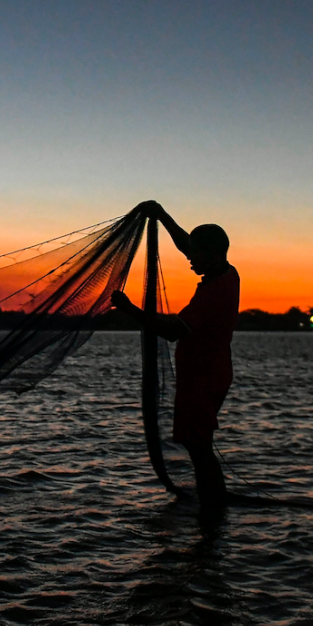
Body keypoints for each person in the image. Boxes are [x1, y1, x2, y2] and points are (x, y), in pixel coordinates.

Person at [111, 200, 239, 523]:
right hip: (210, 373)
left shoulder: (214, 293)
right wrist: (162, 215)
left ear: (210, 254)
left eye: (195, 254)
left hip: (203, 379)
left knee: (199, 448)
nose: (189, 259)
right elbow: (188, 245)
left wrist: (130, 310)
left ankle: (213, 514)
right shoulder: (225, 271)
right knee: (200, 446)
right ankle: (214, 511)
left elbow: (172, 331)